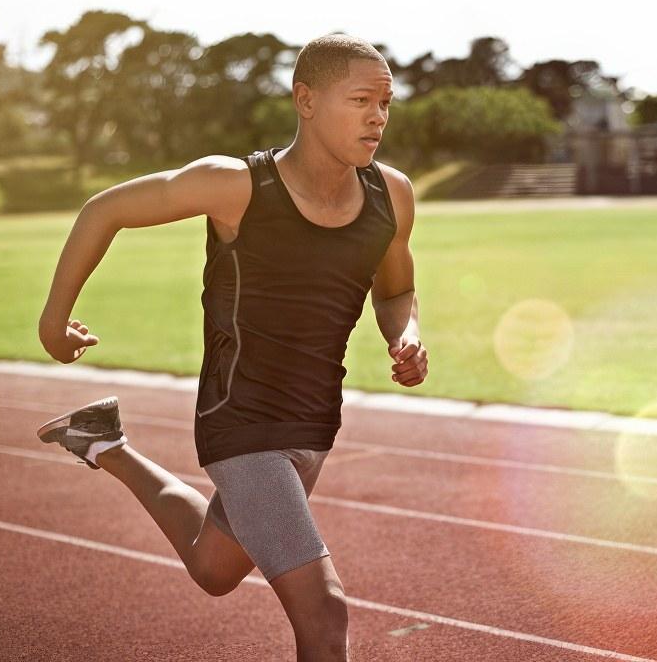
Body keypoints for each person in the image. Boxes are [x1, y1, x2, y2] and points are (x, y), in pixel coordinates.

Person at [35, 33, 428, 662]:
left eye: (386, 102)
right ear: (306, 99)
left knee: (215, 568)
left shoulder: (391, 194)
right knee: (325, 618)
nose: (378, 116)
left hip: (314, 422)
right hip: (240, 422)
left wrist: (405, 336)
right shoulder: (236, 186)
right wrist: (55, 321)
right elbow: (104, 209)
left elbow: (396, 290)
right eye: (361, 100)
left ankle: (103, 442)